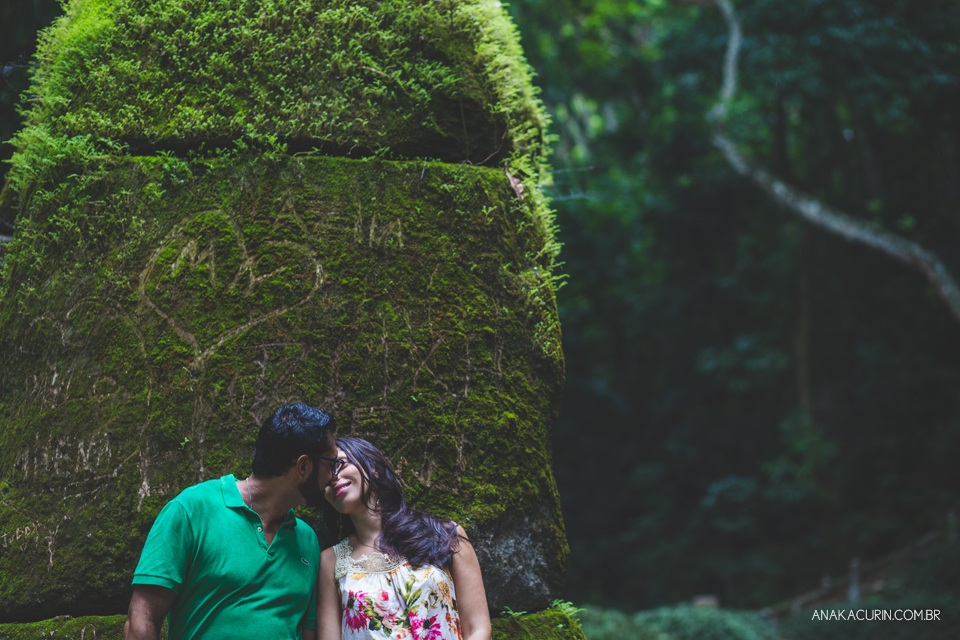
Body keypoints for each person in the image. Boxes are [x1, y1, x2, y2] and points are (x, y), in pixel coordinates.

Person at [123, 403, 340, 640]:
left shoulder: (307, 540)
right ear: (304, 466)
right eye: (331, 465)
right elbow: (140, 620)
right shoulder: (192, 510)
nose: (333, 477)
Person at [317, 437, 491, 640]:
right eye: (324, 478)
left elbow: (478, 629)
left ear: (373, 468)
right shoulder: (331, 562)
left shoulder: (447, 535)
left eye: (339, 465)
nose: (333, 478)